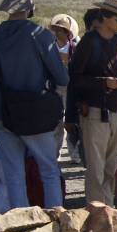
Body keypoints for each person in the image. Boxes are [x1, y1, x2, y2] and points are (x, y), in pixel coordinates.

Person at [0, 0, 69, 209]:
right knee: (48, 171)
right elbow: (62, 78)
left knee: (14, 175)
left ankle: (21, 226)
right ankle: (55, 220)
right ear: (29, 7)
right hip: (37, 115)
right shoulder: (41, 35)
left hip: (3, 115)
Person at [69, 0, 117, 205]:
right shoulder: (89, 42)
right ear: (106, 15)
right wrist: (102, 83)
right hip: (93, 113)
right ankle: (98, 215)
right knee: (96, 170)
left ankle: (106, 211)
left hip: (116, 112)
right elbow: (75, 79)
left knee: (111, 168)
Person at [48, 13, 81, 162]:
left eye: (60, 29)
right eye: (56, 29)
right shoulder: (50, 47)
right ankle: (56, 152)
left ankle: (75, 152)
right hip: (54, 88)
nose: (57, 32)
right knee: (56, 122)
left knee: (72, 120)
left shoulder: (74, 47)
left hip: (71, 88)